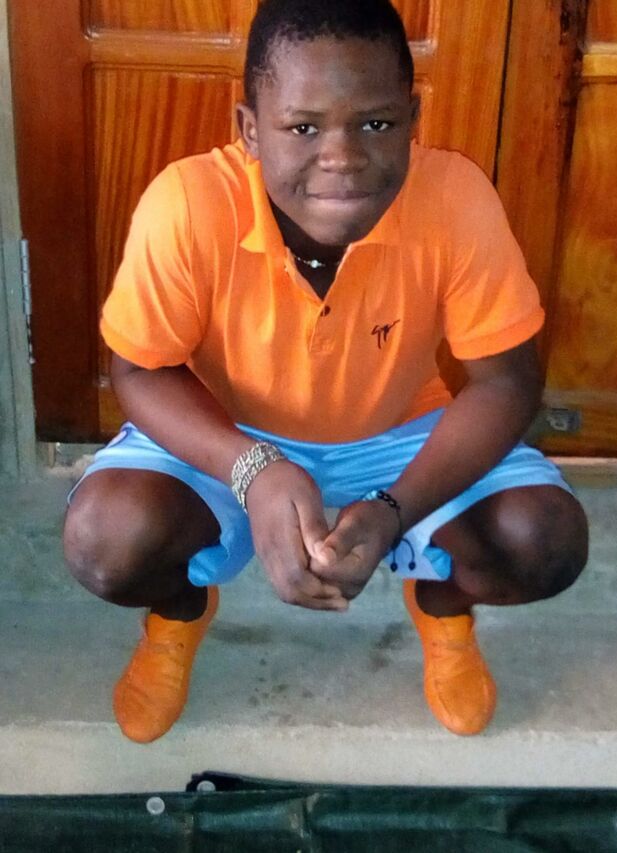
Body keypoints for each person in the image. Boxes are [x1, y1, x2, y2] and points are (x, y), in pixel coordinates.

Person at [63, 0, 589, 744]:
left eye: (375, 123)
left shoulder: (454, 197)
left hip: (399, 432)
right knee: (106, 540)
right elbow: (140, 370)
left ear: (412, 119)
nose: (342, 157)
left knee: (544, 541)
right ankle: (181, 610)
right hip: (228, 429)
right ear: (250, 129)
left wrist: (394, 508)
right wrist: (252, 468)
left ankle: (439, 600)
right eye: (303, 128)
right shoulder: (187, 204)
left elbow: (507, 382)